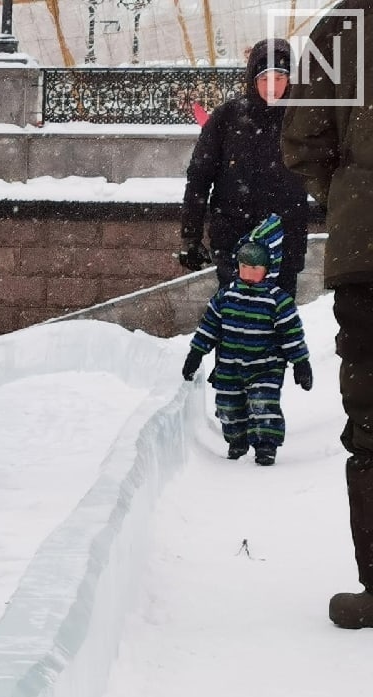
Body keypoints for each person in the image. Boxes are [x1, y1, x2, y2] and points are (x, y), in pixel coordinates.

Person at [282, 1, 373, 625]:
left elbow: (303, 142)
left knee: (370, 421)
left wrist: (349, 195)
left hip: (366, 253)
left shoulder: (345, 26)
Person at [180, 39, 310, 297]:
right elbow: (199, 178)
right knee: (236, 316)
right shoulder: (226, 118)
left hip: (286, 239)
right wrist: (190, 237)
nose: (273, 87)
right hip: (234, 237)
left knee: (277, 317)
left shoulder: (302, 119)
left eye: (280, 78)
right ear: (253, 79)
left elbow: (324, 169)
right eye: (265, 79)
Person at [181, 215, 312, 465]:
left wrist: (301, 363)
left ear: (268, 269)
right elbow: (209, 327)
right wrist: (196, 354)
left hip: (266, 365)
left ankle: (265, 446)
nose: (249, 274)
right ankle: (236, 440)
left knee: (264, 405)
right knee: (229, 407)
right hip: (229, 364)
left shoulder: (277, 300)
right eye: (244, 268)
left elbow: (291, 334)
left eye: (255, 269)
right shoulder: (226, 296)